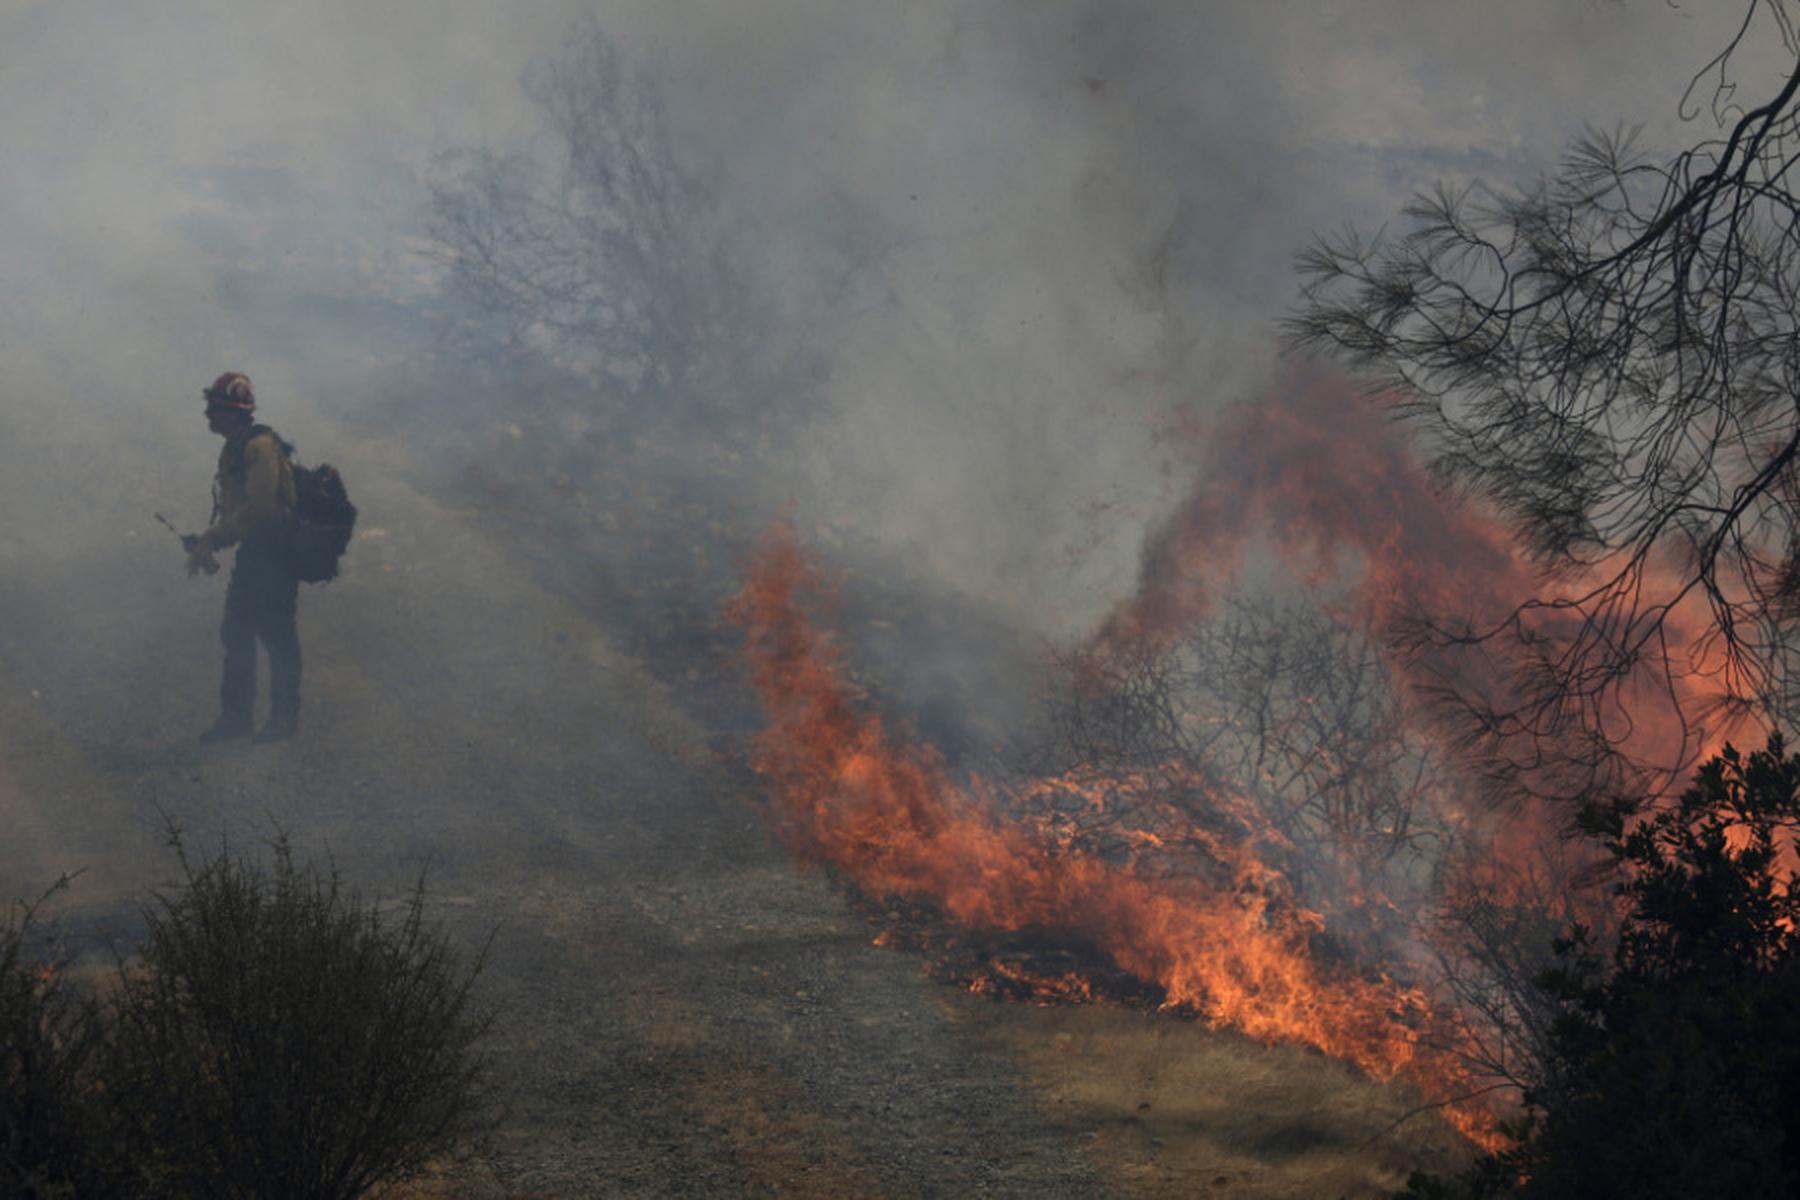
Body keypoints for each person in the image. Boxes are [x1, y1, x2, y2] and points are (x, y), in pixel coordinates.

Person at [187, 372, 302, 744]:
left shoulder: (259, 447)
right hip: (257, 553)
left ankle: (283, 719)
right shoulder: (237, 445)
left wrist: (215, 537)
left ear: (234, 413)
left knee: (276, 637)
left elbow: (262, 508)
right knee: (236, 632)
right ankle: (236, 719)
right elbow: (237, 508)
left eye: (214, 408)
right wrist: (211, 541)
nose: (208, 415)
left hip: (276, 553)